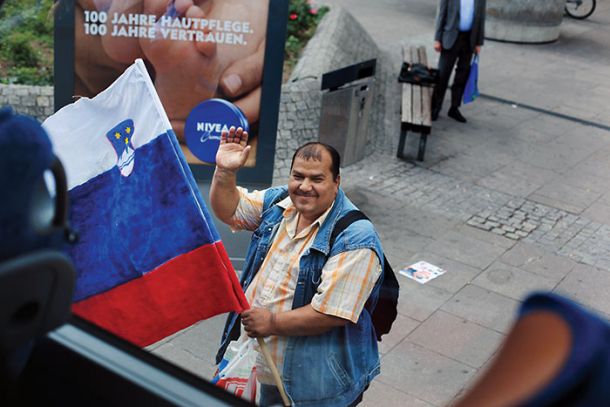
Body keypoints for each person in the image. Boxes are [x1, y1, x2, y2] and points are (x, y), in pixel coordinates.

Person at [210, 127, 385, 406]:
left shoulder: (356, 237)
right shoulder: (282, 202)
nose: (304, 186)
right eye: (298, 176)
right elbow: (229, 210)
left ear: (336, 181)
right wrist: (225, 172)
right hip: (252, 358)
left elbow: (331, 313)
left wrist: (272, 322)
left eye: (317, 179)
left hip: (307, 385)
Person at [431, 0, 486, 123]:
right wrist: (437, 39)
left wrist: (479, 42)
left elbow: (481, 18)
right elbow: (442, 14)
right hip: (451, 38)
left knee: (462, 75)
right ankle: (435, 107)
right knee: (442, 75)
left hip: (469, 40)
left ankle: (454, 108)